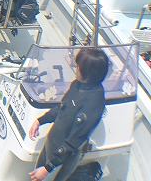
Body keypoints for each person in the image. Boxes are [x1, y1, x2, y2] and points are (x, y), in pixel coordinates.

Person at [28, 47, 110, 181]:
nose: (75, 68)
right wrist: (40, 121)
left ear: (89, 73)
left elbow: (74, 141)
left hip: (63, 158)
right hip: (52, 144)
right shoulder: (77, 84)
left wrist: (48, 168)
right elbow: (63, 108)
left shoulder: (94, 103)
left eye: (78, 66)